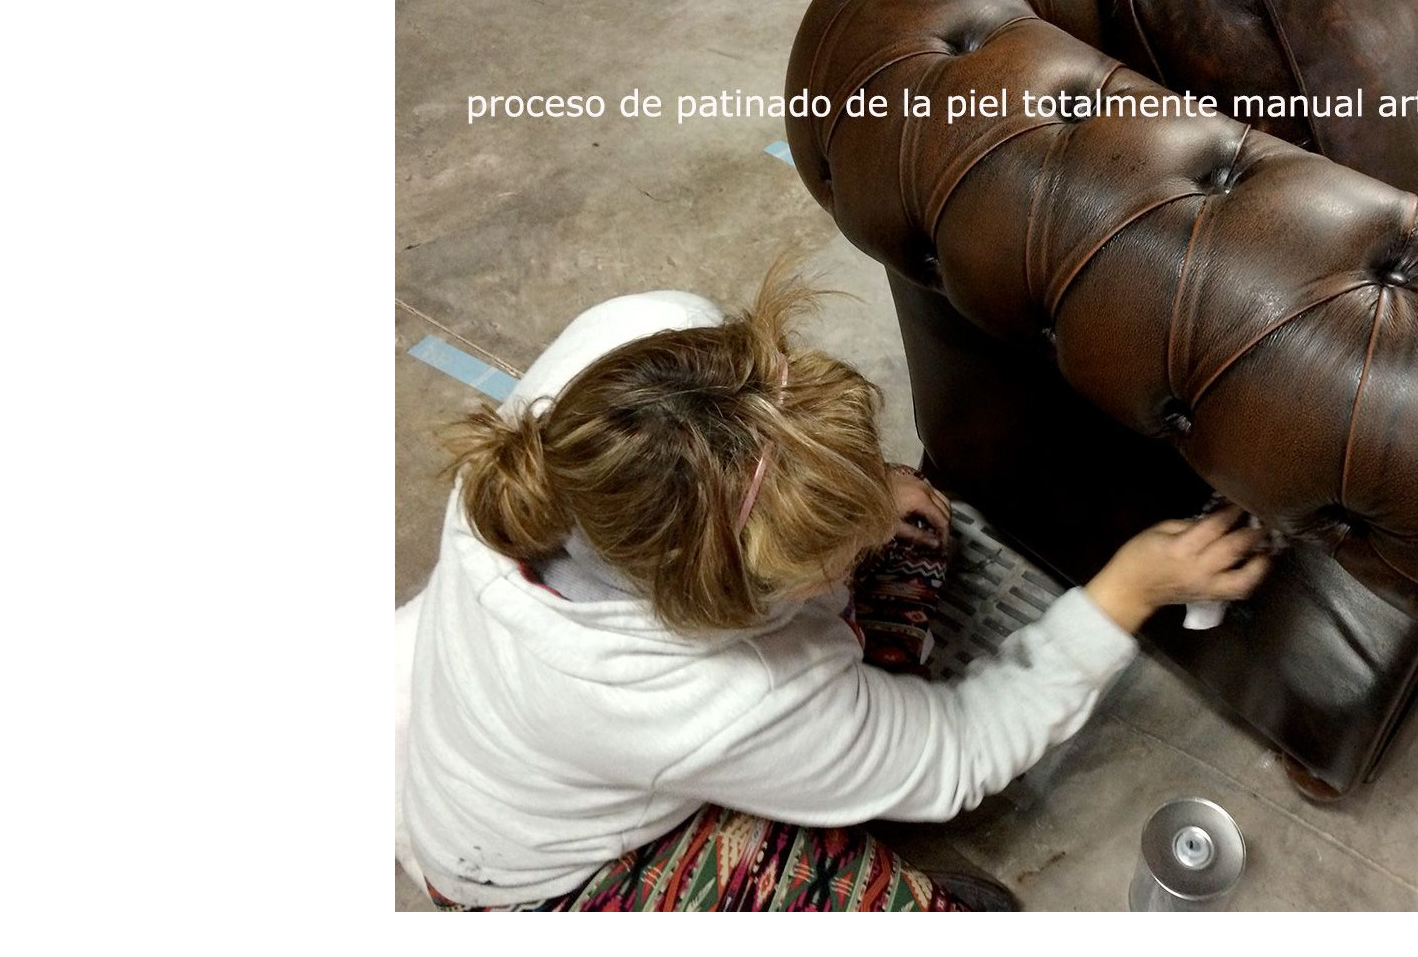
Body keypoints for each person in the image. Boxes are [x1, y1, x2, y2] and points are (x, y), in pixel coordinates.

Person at [399, 261, 1271, 911]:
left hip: (516, 733)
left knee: (915, 535)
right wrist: (1125, 593)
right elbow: (960, 750)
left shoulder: (637, 340)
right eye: (825, 556)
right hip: (534, 871)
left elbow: (759, 462)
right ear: (721, 609)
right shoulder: (706, 699)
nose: (870, 534)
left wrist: (861, 489)